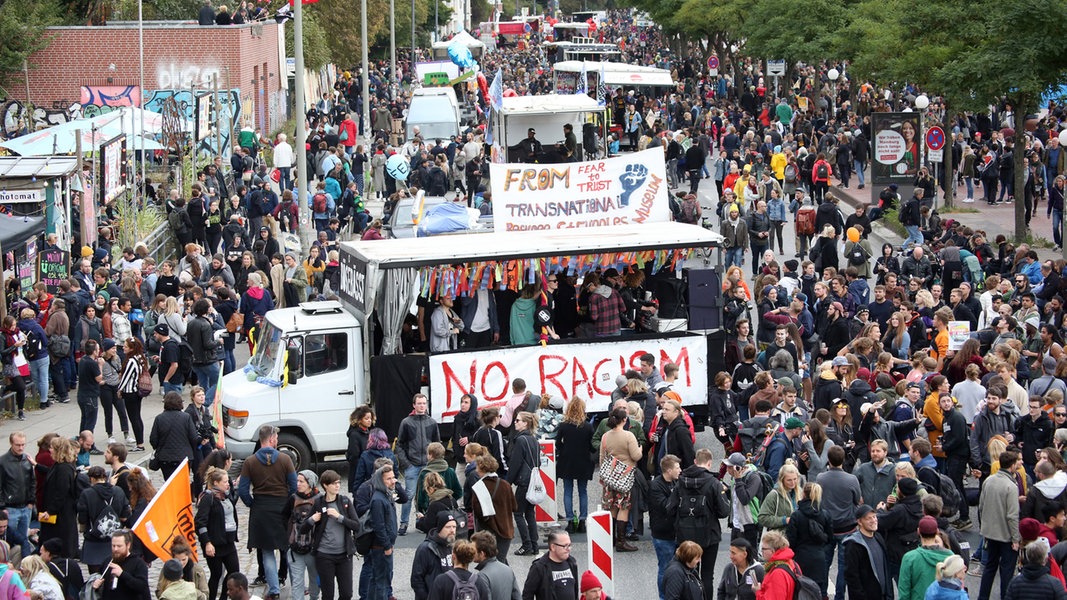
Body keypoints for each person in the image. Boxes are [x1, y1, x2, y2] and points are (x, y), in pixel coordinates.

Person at [238, 425, 297, 600]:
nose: (277, 440)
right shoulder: (285, 460)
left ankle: (274, 591)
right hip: (282, 508)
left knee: (267, 552)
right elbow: (293, 486)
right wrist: (287, 503)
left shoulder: (250, 461)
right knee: (287, 548)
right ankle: (296, 588)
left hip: (261, 510)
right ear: (271, 439)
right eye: (276, 437)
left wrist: (253, 504)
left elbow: (242, 490)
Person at [668, 447, 730, 598]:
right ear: (709, 463)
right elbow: (723, 512)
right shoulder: (714, 483)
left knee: (687, 573)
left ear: (695, 461)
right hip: (709, 535)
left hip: (685, 535)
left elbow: (670, 508)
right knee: (707, 575)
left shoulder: (681, 481)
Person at [303, 470, 360, 600]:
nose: (337, 486)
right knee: (328, 595)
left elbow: (356, 525)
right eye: (334, 483)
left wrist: (339, 517)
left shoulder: (345, 501)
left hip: (344, 555)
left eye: (338, 483)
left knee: (347, 594)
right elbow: (303, 529)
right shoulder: (318, 503)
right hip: (324, 555)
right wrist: (312, 520)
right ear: (325, 485)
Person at [978, 449, 1023, 600]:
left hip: (990, 533)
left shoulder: (989, 480)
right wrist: (1016, 538)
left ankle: (982, 597)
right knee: (1007, 571)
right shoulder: (1011, 486)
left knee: (989, 567)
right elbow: (1012, 515)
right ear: (1012, 465)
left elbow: (981, 506)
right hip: (1006, 535)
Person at [599, 407, 643, 553]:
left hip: (610, 477)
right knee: (623, 507)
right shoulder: (628, 436)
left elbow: (602, 458)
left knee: (611, 507)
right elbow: (635, 456)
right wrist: (641, 449)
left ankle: (610, 538)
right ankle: (621, 541)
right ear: (624, 420)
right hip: (625, 477)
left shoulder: (605, 436)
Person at [396, 394, 440, 536]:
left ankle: (424, 522)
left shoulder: (432, 422)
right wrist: (406, 464)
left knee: (427, 495)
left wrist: (434, 462)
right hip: (412, 465)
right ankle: (403, 523)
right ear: (414, 405)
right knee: (409, 495)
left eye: (424, 403)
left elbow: (437, 444)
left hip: (428, 466)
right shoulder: (406, 422)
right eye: (419, 403)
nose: (422, 406)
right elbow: (400, 445)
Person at [196, 467, 239, 600]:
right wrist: (207, 543)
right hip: (214, 544)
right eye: (225, 481)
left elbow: (233, 495)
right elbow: (199, 523)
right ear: (215, 483)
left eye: (228, 481)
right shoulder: (208, 498)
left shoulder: (225, 495)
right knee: (216, 574)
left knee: (234, 571)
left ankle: (223, 598)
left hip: (228, 541)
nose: (228, 484)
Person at [785, 482, 833, 597]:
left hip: (801, 557)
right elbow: (830, 538)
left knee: (801, 591)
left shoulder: (796, 516)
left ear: (803, 494)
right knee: (819, 591)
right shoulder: (825, 515)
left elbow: (791, 540)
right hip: (819, 557)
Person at [364, 464, 403, 600]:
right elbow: (379, 526)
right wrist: (387, 546)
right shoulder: (378, 499)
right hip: (381, 547)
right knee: (382, 582)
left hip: (384, 545)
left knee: (376, 579)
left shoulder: (385, 495)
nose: (393, 481)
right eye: (388, 479)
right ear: (381, 480)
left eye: (393, 478)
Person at [470, 455, 516, 565]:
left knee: (490, 563)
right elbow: (514, 507)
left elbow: (477, 511)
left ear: (482, 469)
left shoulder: (479, 487)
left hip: (487, 532)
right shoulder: (505, 485)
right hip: (506, 530)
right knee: (501, 561)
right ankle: (509, 580)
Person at [842, 505, 892, 600]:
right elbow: (852, 577)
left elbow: (885, 569)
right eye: (869, 518)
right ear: (859, 522)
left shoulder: (878, 538)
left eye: (874, 517)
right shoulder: (853, 545)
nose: (874, 520)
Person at [897, 516, 954, 600]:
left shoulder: (910, 558)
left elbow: (904, 591)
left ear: (918, 531)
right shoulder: (950, 556)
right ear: (937, 531)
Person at [283, 470, 320, 600]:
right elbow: (284, 516)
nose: (297, 484)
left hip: (313, 549)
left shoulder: (319, 499)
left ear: (310, 483)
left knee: (314, 581)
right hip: (295, 549)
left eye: (301, 481)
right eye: (297, 481)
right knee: (297, 583)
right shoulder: (293, 498)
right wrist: (289, 536)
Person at [40, 437, 78, 558]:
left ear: (58, 450)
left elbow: (61, 492)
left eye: (51, 448)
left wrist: (50, 510)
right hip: (59, 513)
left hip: (60, 515)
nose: (49, 450)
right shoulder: (60, 465)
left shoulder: (63, 468)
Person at [149, 392, 199, 480]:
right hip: (184, 456)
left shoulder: (159, 418)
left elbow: (153, 439)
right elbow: (194, 438)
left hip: (165, 457)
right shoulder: (186, 417)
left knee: (169, 483)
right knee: (182, 483)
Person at [0, 431, 34, 558]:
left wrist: (31, 501)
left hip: (25, 506)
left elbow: (32, 481)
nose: (20, 448)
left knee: (23, 539)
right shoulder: (3, 462)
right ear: (11, 444)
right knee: (8, 540)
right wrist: (3, 506)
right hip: (11, 507)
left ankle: (23, 565)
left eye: (23, 445)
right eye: (17, 445)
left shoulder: (26, 460)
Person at [90, 530, 150, 600]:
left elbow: (142, 587)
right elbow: (100, 581)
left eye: (119, 546)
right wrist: (96, 585)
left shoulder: (138, 563)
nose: (115, 549)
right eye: (113, 545)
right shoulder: (108, 561)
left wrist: (122, 574)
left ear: (128, 545)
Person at [411, 513, 457, 600]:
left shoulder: (451, 546)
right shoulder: (425, 548)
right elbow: (416, 580)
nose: (452, 530)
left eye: (454, 527)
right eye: (448, 527)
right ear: (439, 528)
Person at [522, 530, 578, 600]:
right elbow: (527, 595)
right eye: (564, 546)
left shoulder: (571, 562)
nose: (568, 549)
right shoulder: (539, 567)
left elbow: (575, 591)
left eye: (569, 545)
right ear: (553, 547)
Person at [751, 530, 798, 599]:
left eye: (763, 549)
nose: (761, 552)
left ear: (772, 551)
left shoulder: (778, 573)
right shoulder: (791, 562)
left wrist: (757, 592)